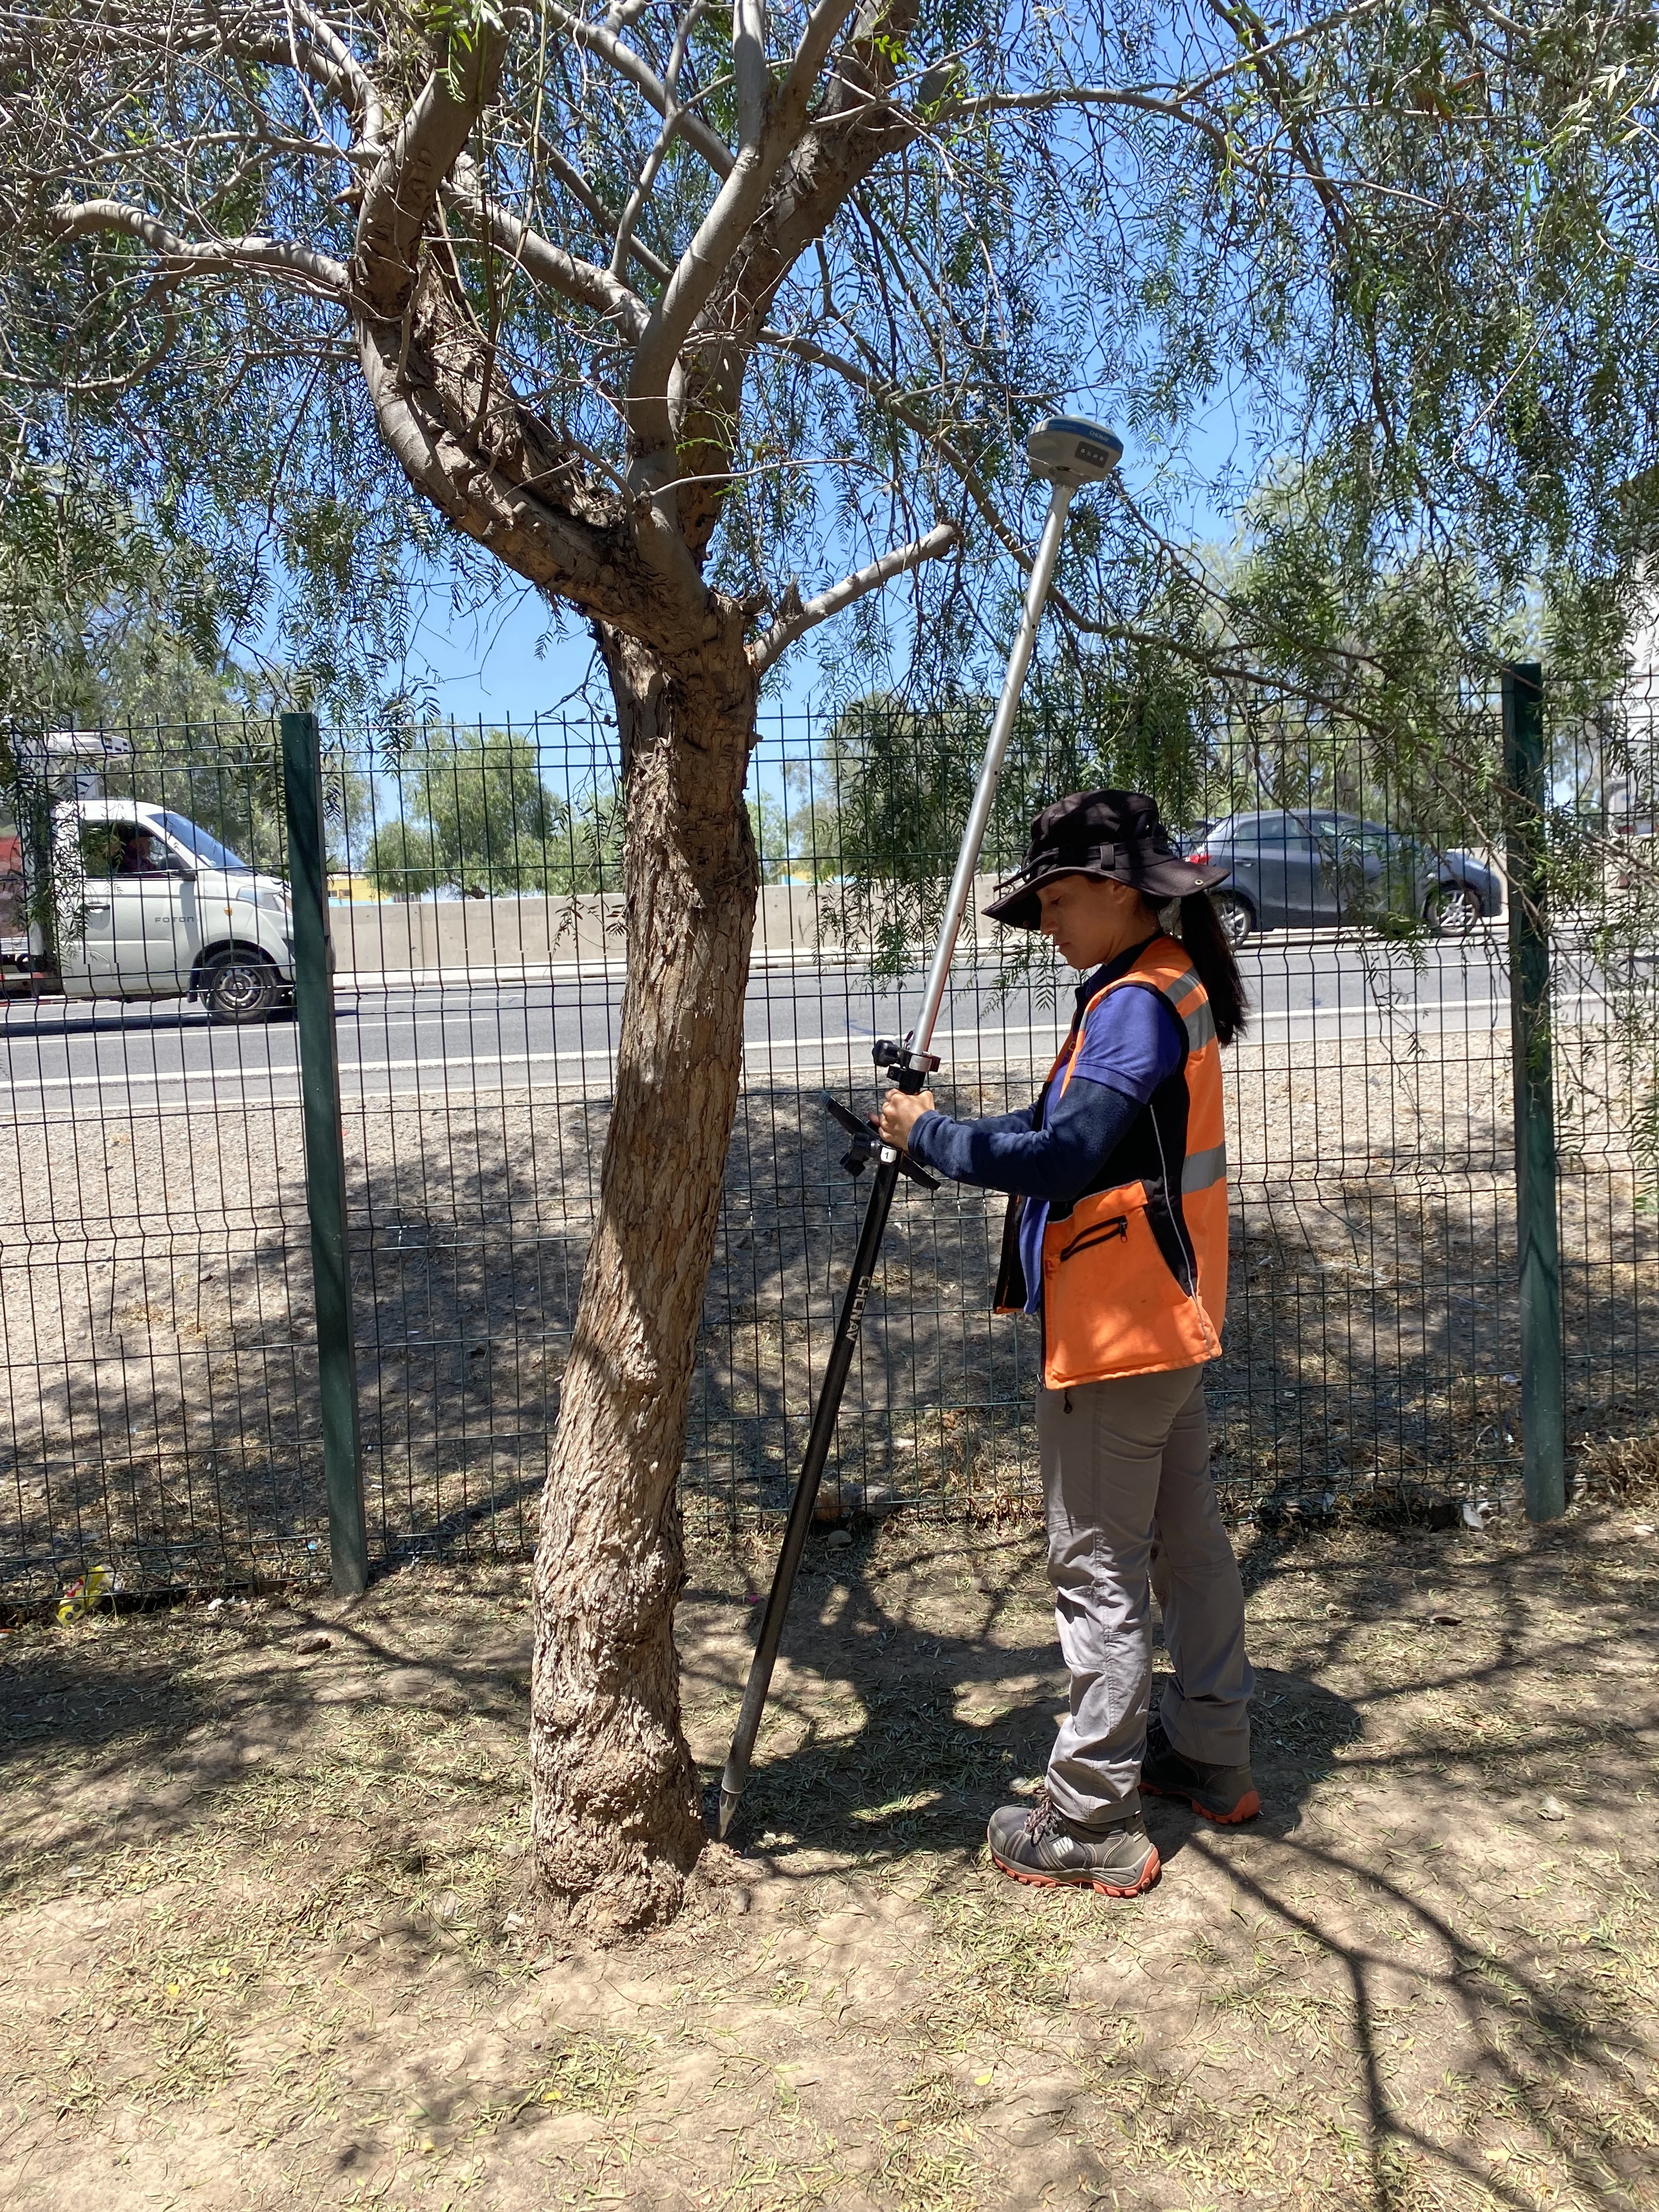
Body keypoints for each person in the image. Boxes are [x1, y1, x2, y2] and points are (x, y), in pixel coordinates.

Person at [878, 788, 1256, 1898]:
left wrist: (931, 1135)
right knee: (1188, 1550)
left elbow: (1065, 1153)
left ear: (1115, 891)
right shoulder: (1156, 985)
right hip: (1170, 1322)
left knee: (1097, 1569)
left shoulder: (1136, 1003)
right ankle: (1213, 1753)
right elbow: (1067, 1138)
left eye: (1054, 900)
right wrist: (942, 1135)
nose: (1045, 924)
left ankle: (1090, 1815)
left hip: (1121, 1331)